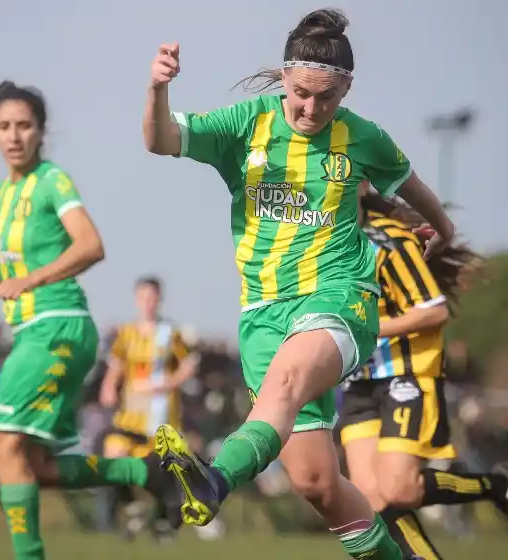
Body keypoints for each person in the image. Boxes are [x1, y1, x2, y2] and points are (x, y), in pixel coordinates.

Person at [143, 8, 456, 560]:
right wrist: (157, 87)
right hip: (262, 314)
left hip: (340, 299)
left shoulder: (362, 138)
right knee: (317, 483)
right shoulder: (247, 124)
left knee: (285, 383)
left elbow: (410, 183)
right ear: (285, 77)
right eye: (302, 94)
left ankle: (212, 480)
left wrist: (444, 230)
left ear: (346, 90)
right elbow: (162, 140)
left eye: (326, 98)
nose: (311, 108)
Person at [0, 81, 178, 560]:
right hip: (37, 330)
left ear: (41, 131)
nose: (14, 135)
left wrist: (34, 280)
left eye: (24, 125)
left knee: (0, 443)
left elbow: (90, 246)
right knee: (33, 466)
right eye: (4, 126)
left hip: (56, 326)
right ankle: (146, 473)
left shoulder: (53, 180)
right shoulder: (3, 193)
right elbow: (4, 277)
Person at [338, 191, 508, 558]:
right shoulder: (313, 244)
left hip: (405, 374)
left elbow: (434, 311)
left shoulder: (388, 241)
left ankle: (495, 485)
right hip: (357, 380)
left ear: (358, 188)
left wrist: (373, 328)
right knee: (370, 497)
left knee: (399, 490)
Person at [98, 275, 200, 541]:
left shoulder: (170, 333)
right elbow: (117, 365)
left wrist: (171, 382)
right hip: (129, 416)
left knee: (157, 475)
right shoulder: (126, 333)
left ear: (160, 300)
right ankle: (134, 511)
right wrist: (108, 387)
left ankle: (165, 522)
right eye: (143, 297)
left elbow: (189, 365)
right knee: (113, 458)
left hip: (160, 418)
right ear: (136, 300)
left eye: (153, 297)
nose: (148, 302)